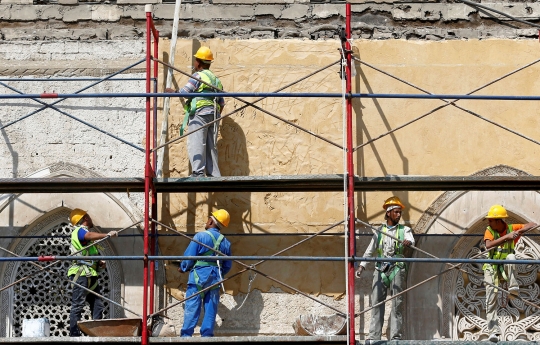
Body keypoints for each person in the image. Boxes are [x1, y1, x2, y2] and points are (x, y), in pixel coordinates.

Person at [355, 196, 414, 342]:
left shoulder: (405, 230)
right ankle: (375, 337)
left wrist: (408, 242)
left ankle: (396, 338)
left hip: (397, 269)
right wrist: (362, 266)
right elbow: (370, 251)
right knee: (376, 304)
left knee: (397, 304)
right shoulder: (379, 231)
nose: (399, 215)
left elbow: (411, 240)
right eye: (396, 212)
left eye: (400, 212)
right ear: (388, 213)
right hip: (380, 269)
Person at [165, 46, 225, 177]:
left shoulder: (198, 76)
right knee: (211, 145)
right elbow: (221, 103)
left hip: (200, 113)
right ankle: (214, 174)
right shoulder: (216, 80)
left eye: (195, 60)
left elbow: (185, 92)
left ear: (198, 62)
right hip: (214, 115)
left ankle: (198, 172)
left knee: (196, 141)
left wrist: (172, 92)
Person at [482, 204, 536, 343]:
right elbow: (488, 245)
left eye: (491, 220)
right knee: (491, 298)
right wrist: (507, 237)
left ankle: (513, 286)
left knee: (511, 257)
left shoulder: (511, 228)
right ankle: (493, 331)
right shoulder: (489, 231)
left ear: (499, 220)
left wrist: (520, 231)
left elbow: (533, 224)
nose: (488, 222)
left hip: (506, 269)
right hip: (492, 268)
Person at [178, 209, 232, 337]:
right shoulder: (226, 243)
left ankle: (186, 336)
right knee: (211, 308)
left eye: (209, 218)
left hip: (199, 276)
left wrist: (183, 267)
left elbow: (189, 258)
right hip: (215, 278)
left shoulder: (200, 236)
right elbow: (228, 265)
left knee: (192, 305)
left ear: (211, 221)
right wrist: (219, 274)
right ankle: (207, 336)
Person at [67, 208, 118, 337]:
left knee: (97, 304)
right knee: (78, 305)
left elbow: (89, 254)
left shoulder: (87, 238)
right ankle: (74, 335)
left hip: (90, 274)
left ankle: (96, 333)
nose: (90, 218)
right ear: (85, 218)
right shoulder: (79, 231)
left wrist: (99, 263)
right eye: (88, 216)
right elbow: (87, 236)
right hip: (81, 274)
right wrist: (107, 235)